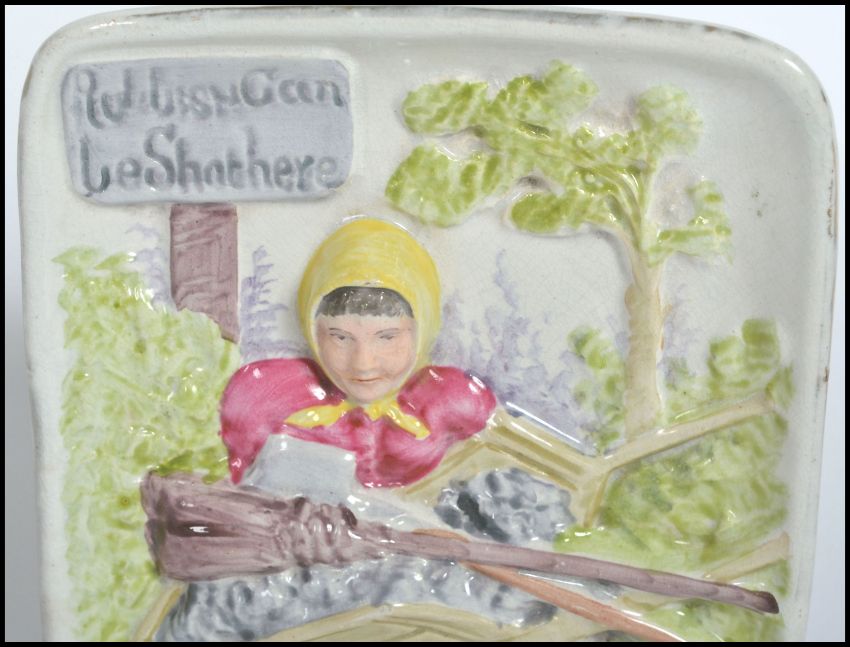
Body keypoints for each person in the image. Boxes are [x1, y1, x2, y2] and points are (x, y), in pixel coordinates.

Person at [220, 217, 497, 488]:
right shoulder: (267, 399)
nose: (363, 364)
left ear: (423, 330)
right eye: (340, 337)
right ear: (312, 330)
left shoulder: (454, 402)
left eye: (387, 338)